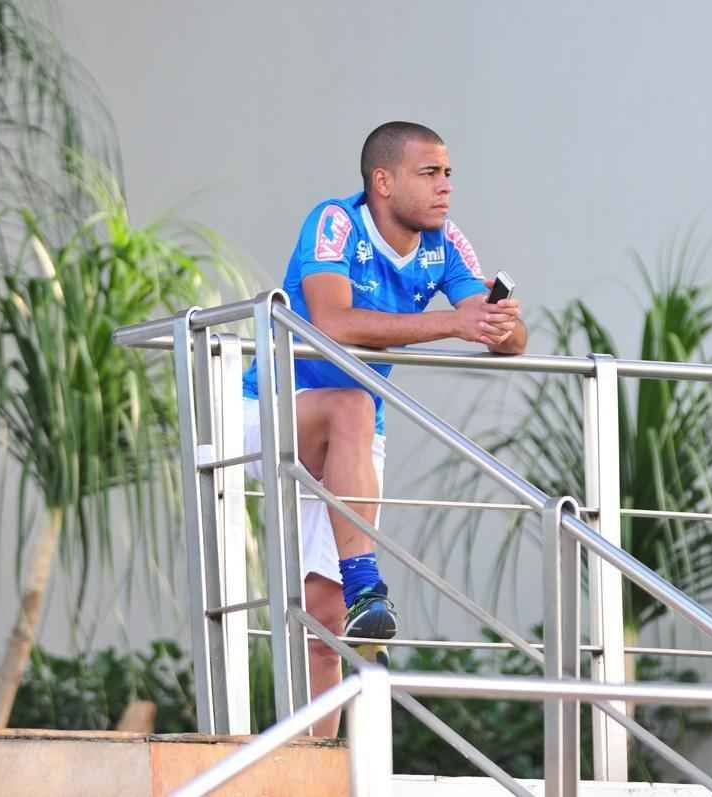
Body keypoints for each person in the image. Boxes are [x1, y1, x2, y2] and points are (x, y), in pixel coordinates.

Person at [239, 121, 527, 734]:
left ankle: (318, 766)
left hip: (349, 438)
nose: (446, 186)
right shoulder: (336, 221)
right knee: (351, 405)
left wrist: (500, 325)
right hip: (271, 408)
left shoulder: (446, 242)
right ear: (383, 181)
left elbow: (508, 338)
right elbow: (333, 323)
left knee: (326, 620)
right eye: (430, 173)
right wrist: (452, 324)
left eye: (448, 173)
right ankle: (367, 586)